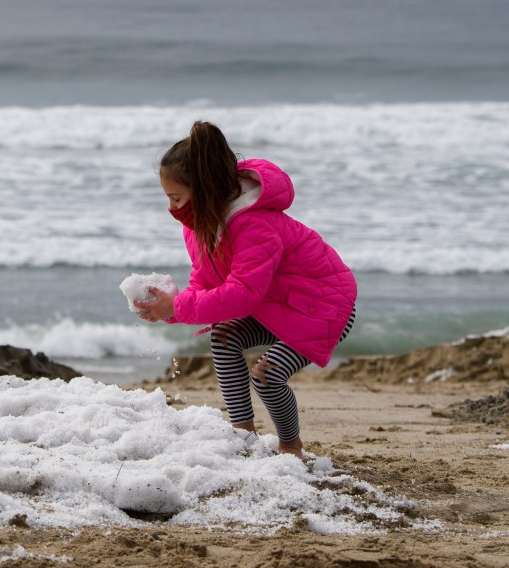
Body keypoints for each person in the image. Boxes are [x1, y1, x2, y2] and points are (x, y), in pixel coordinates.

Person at [134, 121, 357, 458]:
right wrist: (169, 307)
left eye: (176, 197)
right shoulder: (199, 226)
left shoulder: (255, 225)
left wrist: (178, 307)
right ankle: (243, 434)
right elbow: (205, 281)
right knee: (223, 336)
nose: (172, 208)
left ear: (206, 190)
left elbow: (241, 294)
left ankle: (290, 447)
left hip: (323, 306)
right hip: (275, 305)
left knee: (268, 374)